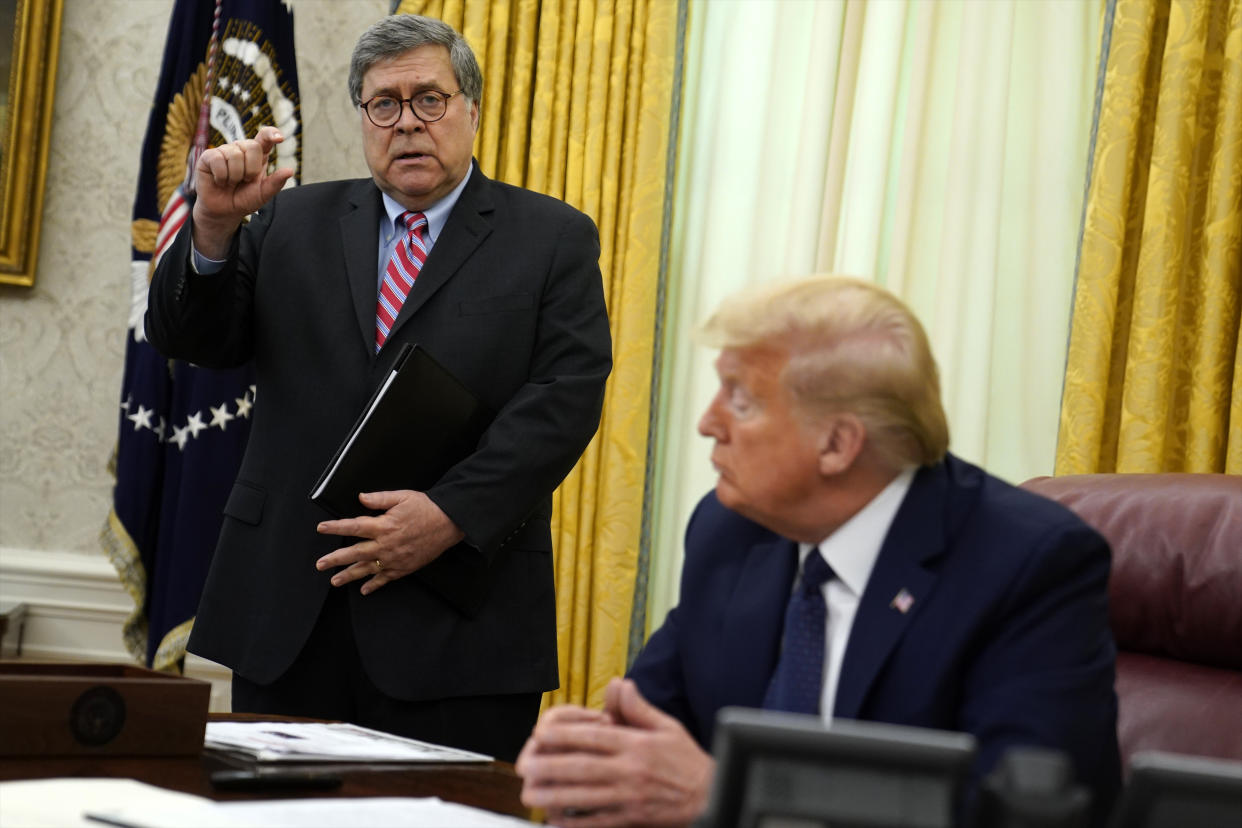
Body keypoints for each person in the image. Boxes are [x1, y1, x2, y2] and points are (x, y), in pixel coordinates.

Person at [145, 14, 611, 762]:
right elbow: (194, 341)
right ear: (362, 116)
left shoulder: (552, 237)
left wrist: (450, 514)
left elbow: (565, 396)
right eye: (383, 104)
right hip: (289, 608)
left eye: (430, 99)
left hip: (457, 617)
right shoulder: (286, 220)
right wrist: (212, 231)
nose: (407, 123)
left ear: (472, 109)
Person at [516, 275, 1120, 825]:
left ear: (837, 444)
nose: (707, 421)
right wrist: (590, 762)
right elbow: (654, 723)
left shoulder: (1027, 564)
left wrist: (725, 796)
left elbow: (1023, 814)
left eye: (740, 399)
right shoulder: (731, 532)